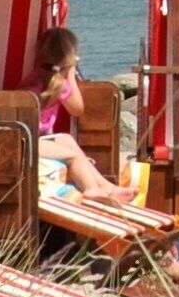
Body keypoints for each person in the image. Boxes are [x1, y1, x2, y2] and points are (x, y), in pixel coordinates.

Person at [29, 25, 128, 201]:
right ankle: (91, 188)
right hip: (32, 142)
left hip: (31, 137)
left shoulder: (34, 76)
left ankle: (108, 187)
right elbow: (77, 109)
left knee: (67, 139)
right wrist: (71, 75)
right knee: (73, 155)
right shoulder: (59, 84)